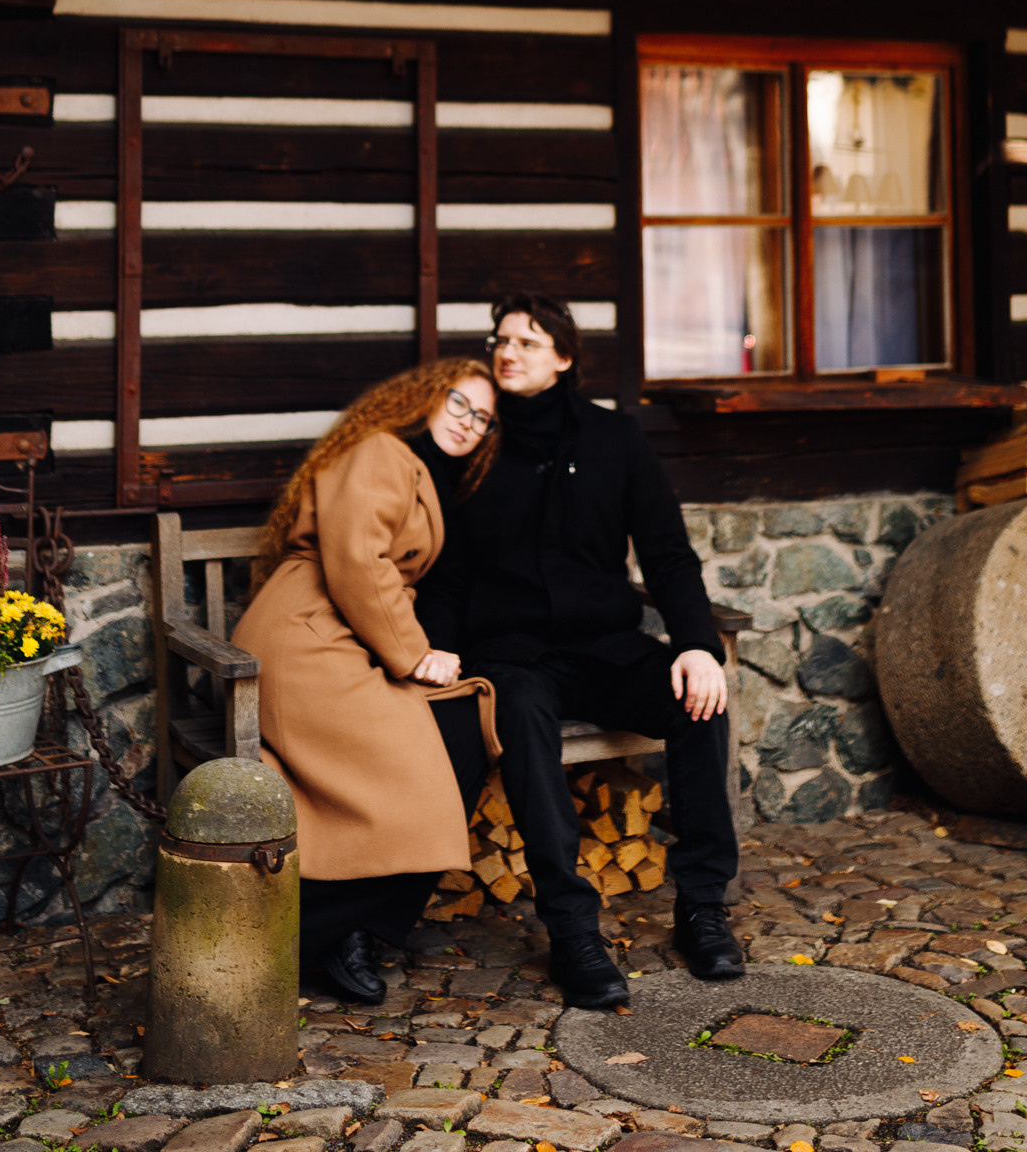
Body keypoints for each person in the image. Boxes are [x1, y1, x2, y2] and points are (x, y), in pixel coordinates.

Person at [418, 293, 742, 1010]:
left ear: (563, 358)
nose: (507, 352)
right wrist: (437, 647)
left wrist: (695, 645)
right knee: (523, 718)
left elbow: (666, 552)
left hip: (605, 648)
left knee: (698, 703)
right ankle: (571, 932)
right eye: (501, 339)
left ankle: (702, 908)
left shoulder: (612, 439)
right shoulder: (476, 443)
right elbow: (447, 571)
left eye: (527, 342)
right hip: (511, 655)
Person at [233, 356, 501, 1003]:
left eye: (483, 418)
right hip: (307, 636)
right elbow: (357, 557)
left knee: (466, 731)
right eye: (459, 403)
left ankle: (347, 930)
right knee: (424, 766)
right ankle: (318, 933)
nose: (468, 423)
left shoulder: (423, 469)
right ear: (426, 397)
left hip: (344, 633)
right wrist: (414, 655)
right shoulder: (380, 449)